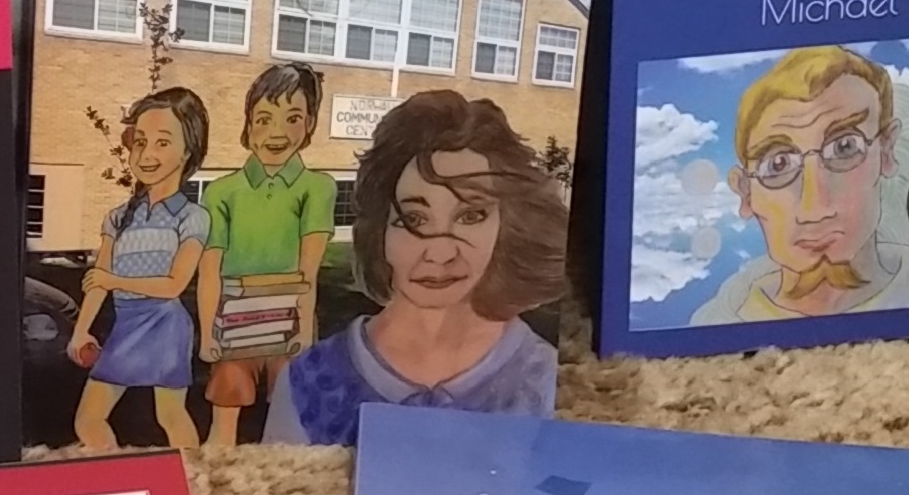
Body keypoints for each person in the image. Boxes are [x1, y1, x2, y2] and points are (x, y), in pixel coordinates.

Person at [269, 91, 563, 444]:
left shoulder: (549, 377)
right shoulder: (307, 383)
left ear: (508, 224)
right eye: (414, 219)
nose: (439, 253)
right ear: (380, 229)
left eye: (471, 216)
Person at [690, 45, 909, 324]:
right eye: (778, 164)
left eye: (844, 147)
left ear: (886, 151)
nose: (815, 209)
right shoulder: (721, 326)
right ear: (746, 192)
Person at [198, 64, 336, 447]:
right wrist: (208, 333)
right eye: (264, 119)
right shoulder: (222, 192)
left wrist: (303, 334)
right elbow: (210, 269)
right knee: (223, 422)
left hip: (289, 319)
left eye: (293, 118)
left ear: (309, 124)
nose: (277, 132)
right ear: (248, 125)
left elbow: (307, 273)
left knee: (288, 428)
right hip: (233, 321)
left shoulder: (317, 188)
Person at [68, 88, 210, 452]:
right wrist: (81, 331)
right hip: (126, 323)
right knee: (88, 420)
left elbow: (174, 285)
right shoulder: (117, 217)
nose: (147, 154)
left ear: (188, 151)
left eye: (163, 143)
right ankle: (117, 475)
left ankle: (193, 476)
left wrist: (114, 280)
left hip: (165, 323)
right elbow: (97, 281)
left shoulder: (192, 217)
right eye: (140, 142)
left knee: (170, 415)